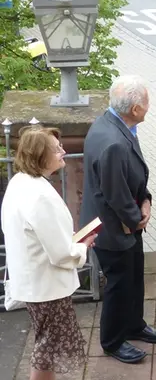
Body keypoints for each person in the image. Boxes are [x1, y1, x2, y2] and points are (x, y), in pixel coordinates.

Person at [80, 75, 156, 363]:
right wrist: (137, 218)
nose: (149, 107)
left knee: (133, 278)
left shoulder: (113, 124)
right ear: (135, 109)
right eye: (146, 103)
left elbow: (130, 176)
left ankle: (133, 325)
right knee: (119, 284)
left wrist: (146, 198)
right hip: (114, 229)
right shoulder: (113, 142)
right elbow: (115, 193)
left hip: (123, 224)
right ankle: (113, 341)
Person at [2, 126, 94, 380]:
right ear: (39, 156)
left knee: (47, 344)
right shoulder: (39, 195)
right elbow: (61, 254)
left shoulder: (20, 182)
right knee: (47, 347)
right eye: (56, 149)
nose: (63, 151)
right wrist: (83, 245)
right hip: (46, 286)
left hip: (35, 281)